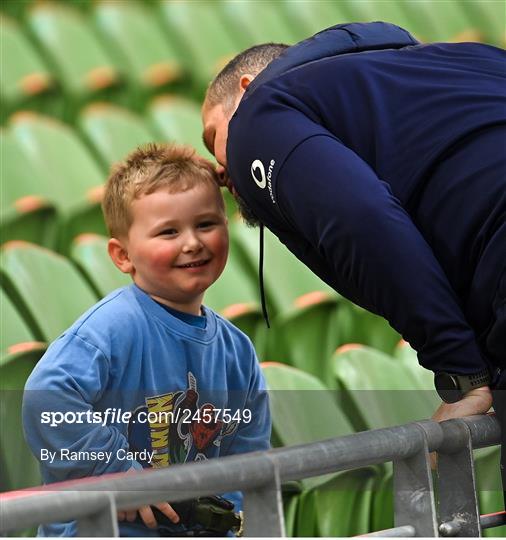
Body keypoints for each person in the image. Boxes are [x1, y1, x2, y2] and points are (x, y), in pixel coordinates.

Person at [202, 22, 505, 496]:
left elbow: (359, 216)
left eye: (211, 138)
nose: (223, 171)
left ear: (246, 87)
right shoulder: (463, 59)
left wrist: (462, 373)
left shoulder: (258, 115)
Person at [22, 143, 271, 536]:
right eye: (168, 231)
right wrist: (122, 475)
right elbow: (46, 397)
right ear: (123, 256)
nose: (192, 242)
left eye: (206, 224)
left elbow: (246, 465)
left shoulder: (237, 351)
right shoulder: (113, 327)